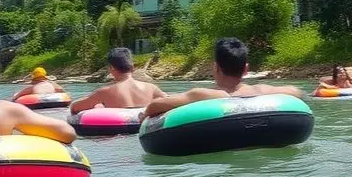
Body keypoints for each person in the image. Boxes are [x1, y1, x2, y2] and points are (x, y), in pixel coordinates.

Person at [142, 37, 306, 119]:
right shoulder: (261, 90)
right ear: (246, 69)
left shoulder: (202, 95)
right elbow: (296, 92)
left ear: (216, 67)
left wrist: (144, 117)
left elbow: (154, 106)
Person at [69, 48, 167, 113]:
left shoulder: (105, 91)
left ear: (111, 68)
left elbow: (75, 108)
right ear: (132, 67)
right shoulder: (151, 88)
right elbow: (169, 101)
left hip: (118, 132)